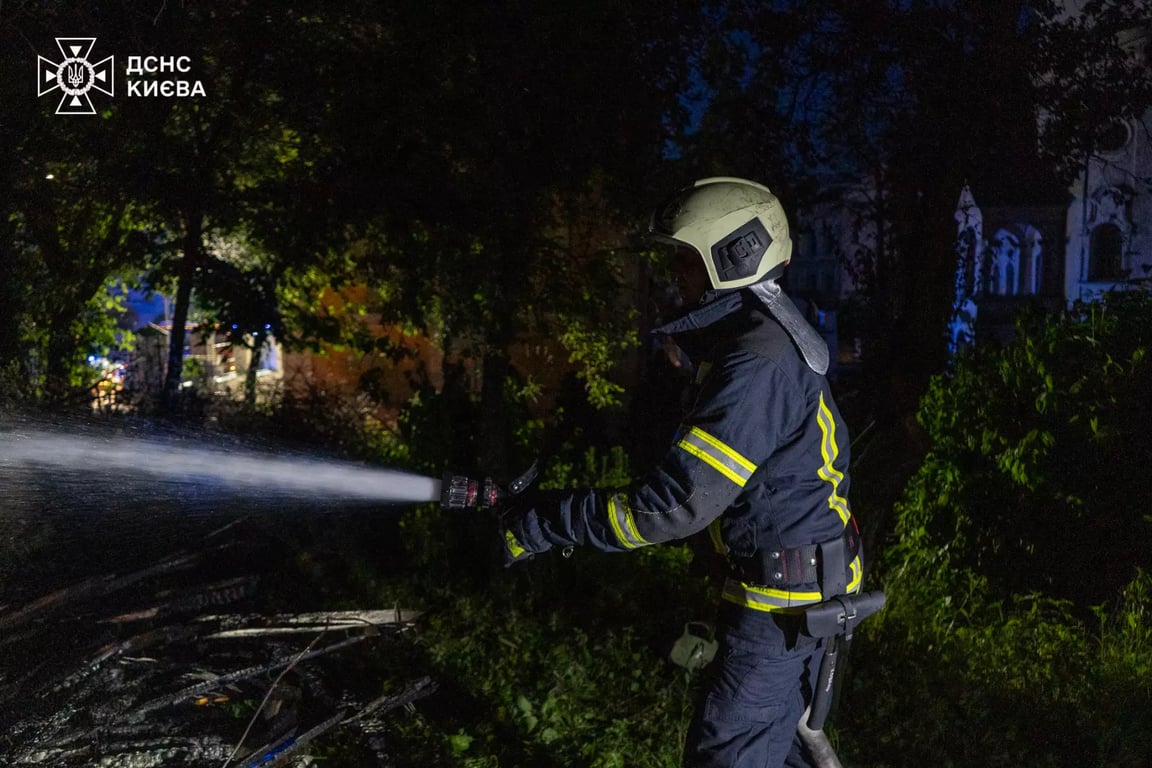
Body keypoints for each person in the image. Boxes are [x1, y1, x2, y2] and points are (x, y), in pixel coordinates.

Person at [499, 177, 863, 768]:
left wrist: (544, 522)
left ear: (733, 258)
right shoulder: (758, 338)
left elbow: (674, 505)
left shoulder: (756, 362)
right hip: (797, 598)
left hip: (781, 613)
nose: (674, 274)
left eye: (686, 259)